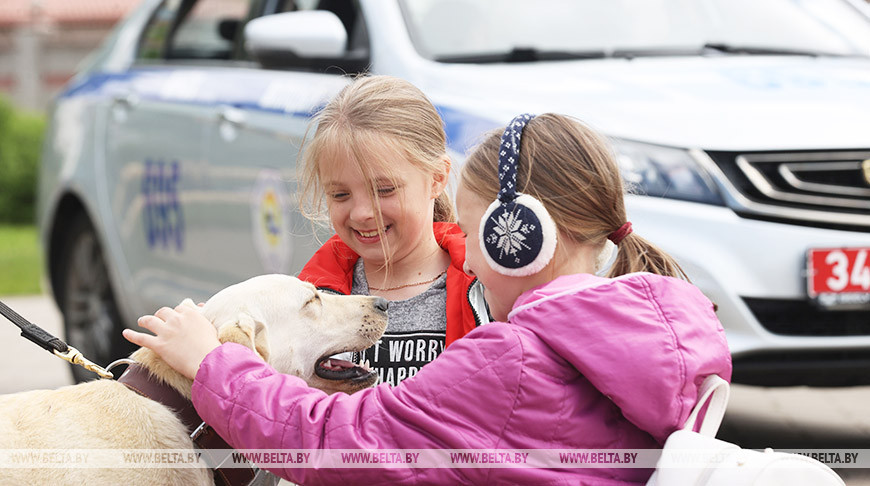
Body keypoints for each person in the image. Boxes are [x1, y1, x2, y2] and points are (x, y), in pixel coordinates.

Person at [125, 113, 732, 485]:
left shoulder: (515, 359)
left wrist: (212, 362)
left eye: (469, 233)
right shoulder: (643, 336)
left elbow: (338, 444)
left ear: (517, 239)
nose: (464, 249)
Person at [295, 75, 487, 386]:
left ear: (437, 178)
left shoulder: (489, 290)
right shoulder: (308, 300)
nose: (361, 213)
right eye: (340, 195)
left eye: (384, 190)